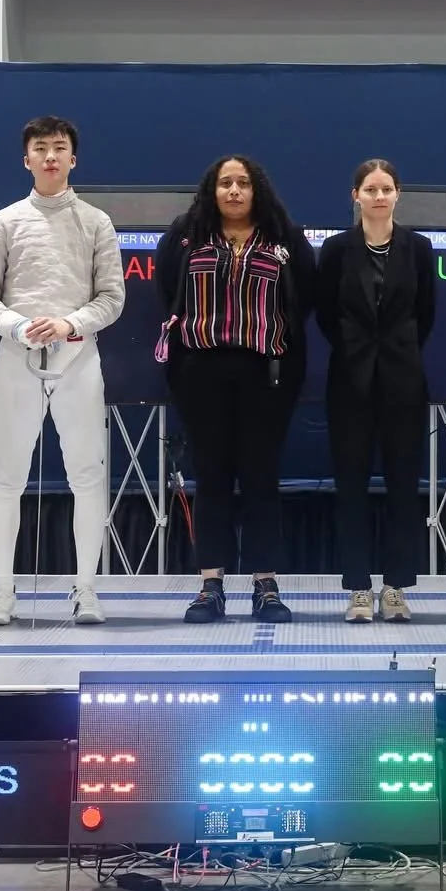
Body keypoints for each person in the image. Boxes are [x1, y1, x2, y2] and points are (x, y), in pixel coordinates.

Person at [0, 116, 125, 626]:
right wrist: (16, 327)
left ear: (73, 159)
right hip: (17, 360)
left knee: (87, 477)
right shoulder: (5, 220)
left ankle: (85, 589)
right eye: (42, 148)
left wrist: (68, 324)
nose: (51, 156)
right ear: (27, 159)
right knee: (6, 478)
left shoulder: (96, 221)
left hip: (79, 360)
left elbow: (111, 297)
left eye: (60, 148)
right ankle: (1, 592)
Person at [155, 156, 316, 623]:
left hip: (266, 375)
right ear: (213, 189)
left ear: (257, 190)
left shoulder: (283, 236)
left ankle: (265, 586)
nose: (234, 191)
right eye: (225, 183)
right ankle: (211, 586)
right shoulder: (186, 234)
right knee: (212, 481)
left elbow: (304, 297)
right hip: (200, 373)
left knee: (262, 479)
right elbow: (167, 293)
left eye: (243, 183)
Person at [314, 159, 437, 623]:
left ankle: (396, 589)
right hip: (349, 383)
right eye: (370, 189)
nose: (379, 196)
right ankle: (359, 589)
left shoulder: (418, 249)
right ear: (356, 196)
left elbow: (424, 315)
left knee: (404, 487)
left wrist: (396, 353)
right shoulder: (336, 250)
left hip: (404, 383)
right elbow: (325, 315)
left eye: (387, 188)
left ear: (398, 194)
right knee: (351, 488)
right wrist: (358, 351)